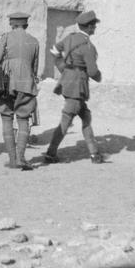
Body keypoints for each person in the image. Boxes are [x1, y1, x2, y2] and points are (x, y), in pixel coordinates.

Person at [44, 10, 105, 164]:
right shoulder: (88, 46)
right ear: (89, 27)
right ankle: (51, 153)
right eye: (94, 26)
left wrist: (63, 68)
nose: (95, 28)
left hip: (67, 83)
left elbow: (54, 51)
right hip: (78, 87)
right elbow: (92, 71)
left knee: (85, 117)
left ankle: (94, 153)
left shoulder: (70, 38)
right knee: (66, 120)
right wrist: (99, 77)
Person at [0, 12, 39, 170]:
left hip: (7, 84)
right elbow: (35, 68)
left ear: (12, 24)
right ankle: (21, 158)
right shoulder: (34, 41)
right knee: (24, 120)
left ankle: (12, 159)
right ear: (26, 24)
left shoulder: (5, 38)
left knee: (6, 118)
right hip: (27, 83)